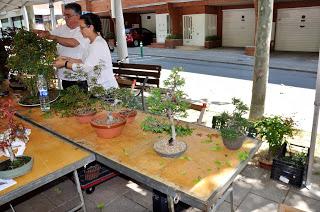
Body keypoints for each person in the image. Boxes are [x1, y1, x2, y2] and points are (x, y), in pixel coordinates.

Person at [53, 13, 118, 91]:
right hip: (97, 87)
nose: (80, 31)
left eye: (82, 28)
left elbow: (86, 68)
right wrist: (66, 59)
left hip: (106, 88)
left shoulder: (98, 44)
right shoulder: (90, 42)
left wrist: (65, 64)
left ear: (91, 27)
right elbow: (83, 61)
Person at [35, 3, 89, 90]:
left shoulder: (84, 29)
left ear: (78, 16)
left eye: (68, 16)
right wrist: (42, 33)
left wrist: (53, 37)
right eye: (64, 16)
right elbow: (50, 34)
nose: (65, 18)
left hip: (79, 76)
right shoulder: (62, 28)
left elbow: (73, 43)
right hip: (64, 75)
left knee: (80, 102)